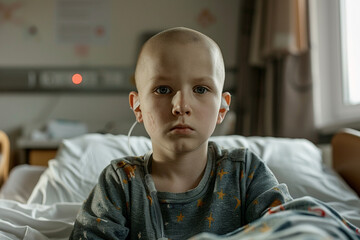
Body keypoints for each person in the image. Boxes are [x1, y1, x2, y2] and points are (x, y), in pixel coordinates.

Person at [70, 27, 292, 239]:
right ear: (138, 106)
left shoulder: (245, 173)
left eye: (201, 89)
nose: (181, 105)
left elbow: (292, 226)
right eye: (163, 90)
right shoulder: (120, 183)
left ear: (222, 108)